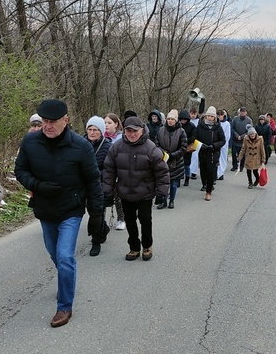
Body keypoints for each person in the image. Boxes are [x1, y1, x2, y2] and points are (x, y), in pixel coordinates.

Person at [14, 99, 103, 328]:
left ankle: (64, 306)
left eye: (53, 121)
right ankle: (66, 279)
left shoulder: (80, 146)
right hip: (45, 209)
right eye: (44, 121)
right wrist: (37, 185)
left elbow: (93, 180)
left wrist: (96, 214)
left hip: (70, 210)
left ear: (66, 120)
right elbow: (20, 170)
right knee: (55, 254)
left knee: (65, 257)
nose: (48, 126)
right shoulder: (31, 142)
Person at [102, 115, 169, 263]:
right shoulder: (117, 147)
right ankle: (134, 247)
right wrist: (107, 190)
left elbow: (162, 171)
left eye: (135, 131)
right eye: (128, 131)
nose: (132, 134)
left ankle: (147, 246)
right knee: (130, 220)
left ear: (142, 130)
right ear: (124, 131)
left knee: (145, 220)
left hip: (145, 192)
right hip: (125, 192)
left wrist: (161, 193)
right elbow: (109, 170)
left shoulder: (151, 148)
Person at [85, 116, 112, 256]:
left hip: (100, 185)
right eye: (90, 129)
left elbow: (111, 169)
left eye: (95, 130)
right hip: (83, 185)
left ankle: (96, 241)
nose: (92, 132)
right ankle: (104, 228)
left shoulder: (108, 146)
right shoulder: (81, 144)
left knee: (97, 213)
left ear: (101, 131)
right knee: (90, 211)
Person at [156, 110, 187, 209]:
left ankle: (172, 200)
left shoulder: (181, 131)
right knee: (164, 183)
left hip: (176, 161)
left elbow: (183, 147)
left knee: (173, 184)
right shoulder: (161, 130)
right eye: (168, 119)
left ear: (176, 120)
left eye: (172, 119)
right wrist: (163, 153)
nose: (170, 121)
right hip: (163, 160)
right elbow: (156, 144)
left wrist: (172, 155)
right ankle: (163, 201)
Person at [195, 106, 226, 201]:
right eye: (208, 116)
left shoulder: (218, 127)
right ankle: (205, 184)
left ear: (214, 118)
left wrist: (214, 145)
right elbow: (194, 138)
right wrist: (200, 145)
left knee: (210, 172)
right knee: (203, 171)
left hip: (213, 153)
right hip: (203, 152)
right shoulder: (200, 126)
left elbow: (222, 140)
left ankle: (208, 192)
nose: (209, 118)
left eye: (211, 116)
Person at [229, 107, 252, 172]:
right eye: (241, 111)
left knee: (242, 154)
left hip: (243, 140)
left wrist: (241, 136)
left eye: (243, 111)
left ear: (246, 112)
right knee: (233, 153)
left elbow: (249, 130)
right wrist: (237, 135)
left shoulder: (249, 120)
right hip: (235, 140)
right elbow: (232, 128)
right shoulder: (235, 119)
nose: (242, 113)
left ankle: (241, 166)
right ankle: (234, 166)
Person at [179, 109, 196, 186]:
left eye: (184, 119)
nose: (183, 121)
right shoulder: (178, 126)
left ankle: (187, 178)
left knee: (187, 164)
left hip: (188, 146)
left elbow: (194, 137)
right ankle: (178, 179)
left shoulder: (192, 126)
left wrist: (185, 140)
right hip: (179, 146)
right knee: (179, 164)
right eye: (181, 119)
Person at [216, 109, 231, 181]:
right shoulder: (216, 123)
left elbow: (227, 135)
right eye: (218, 115)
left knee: (222, 159)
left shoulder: (227, 124)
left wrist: (222, 143)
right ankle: (216, 173)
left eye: (220, 115)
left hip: (223, 145)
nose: (219, 117)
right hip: (216, 143)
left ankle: (221, 173)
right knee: (216, 159)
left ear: (223, 116)